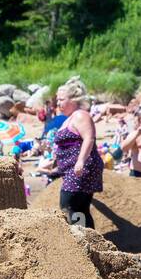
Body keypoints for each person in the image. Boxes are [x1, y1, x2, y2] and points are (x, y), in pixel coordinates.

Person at [37, 77, 101, 228]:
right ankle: (88, 240)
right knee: (80, 207)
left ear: (73, 99)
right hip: (72, 167)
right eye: (57, 100)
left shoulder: (81, 115)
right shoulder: (69, 119)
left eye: (61, 100)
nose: (58, 103)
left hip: (80, 167)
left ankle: (81, 240)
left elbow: (89, 139)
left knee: (68, 204)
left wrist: (80, 161)